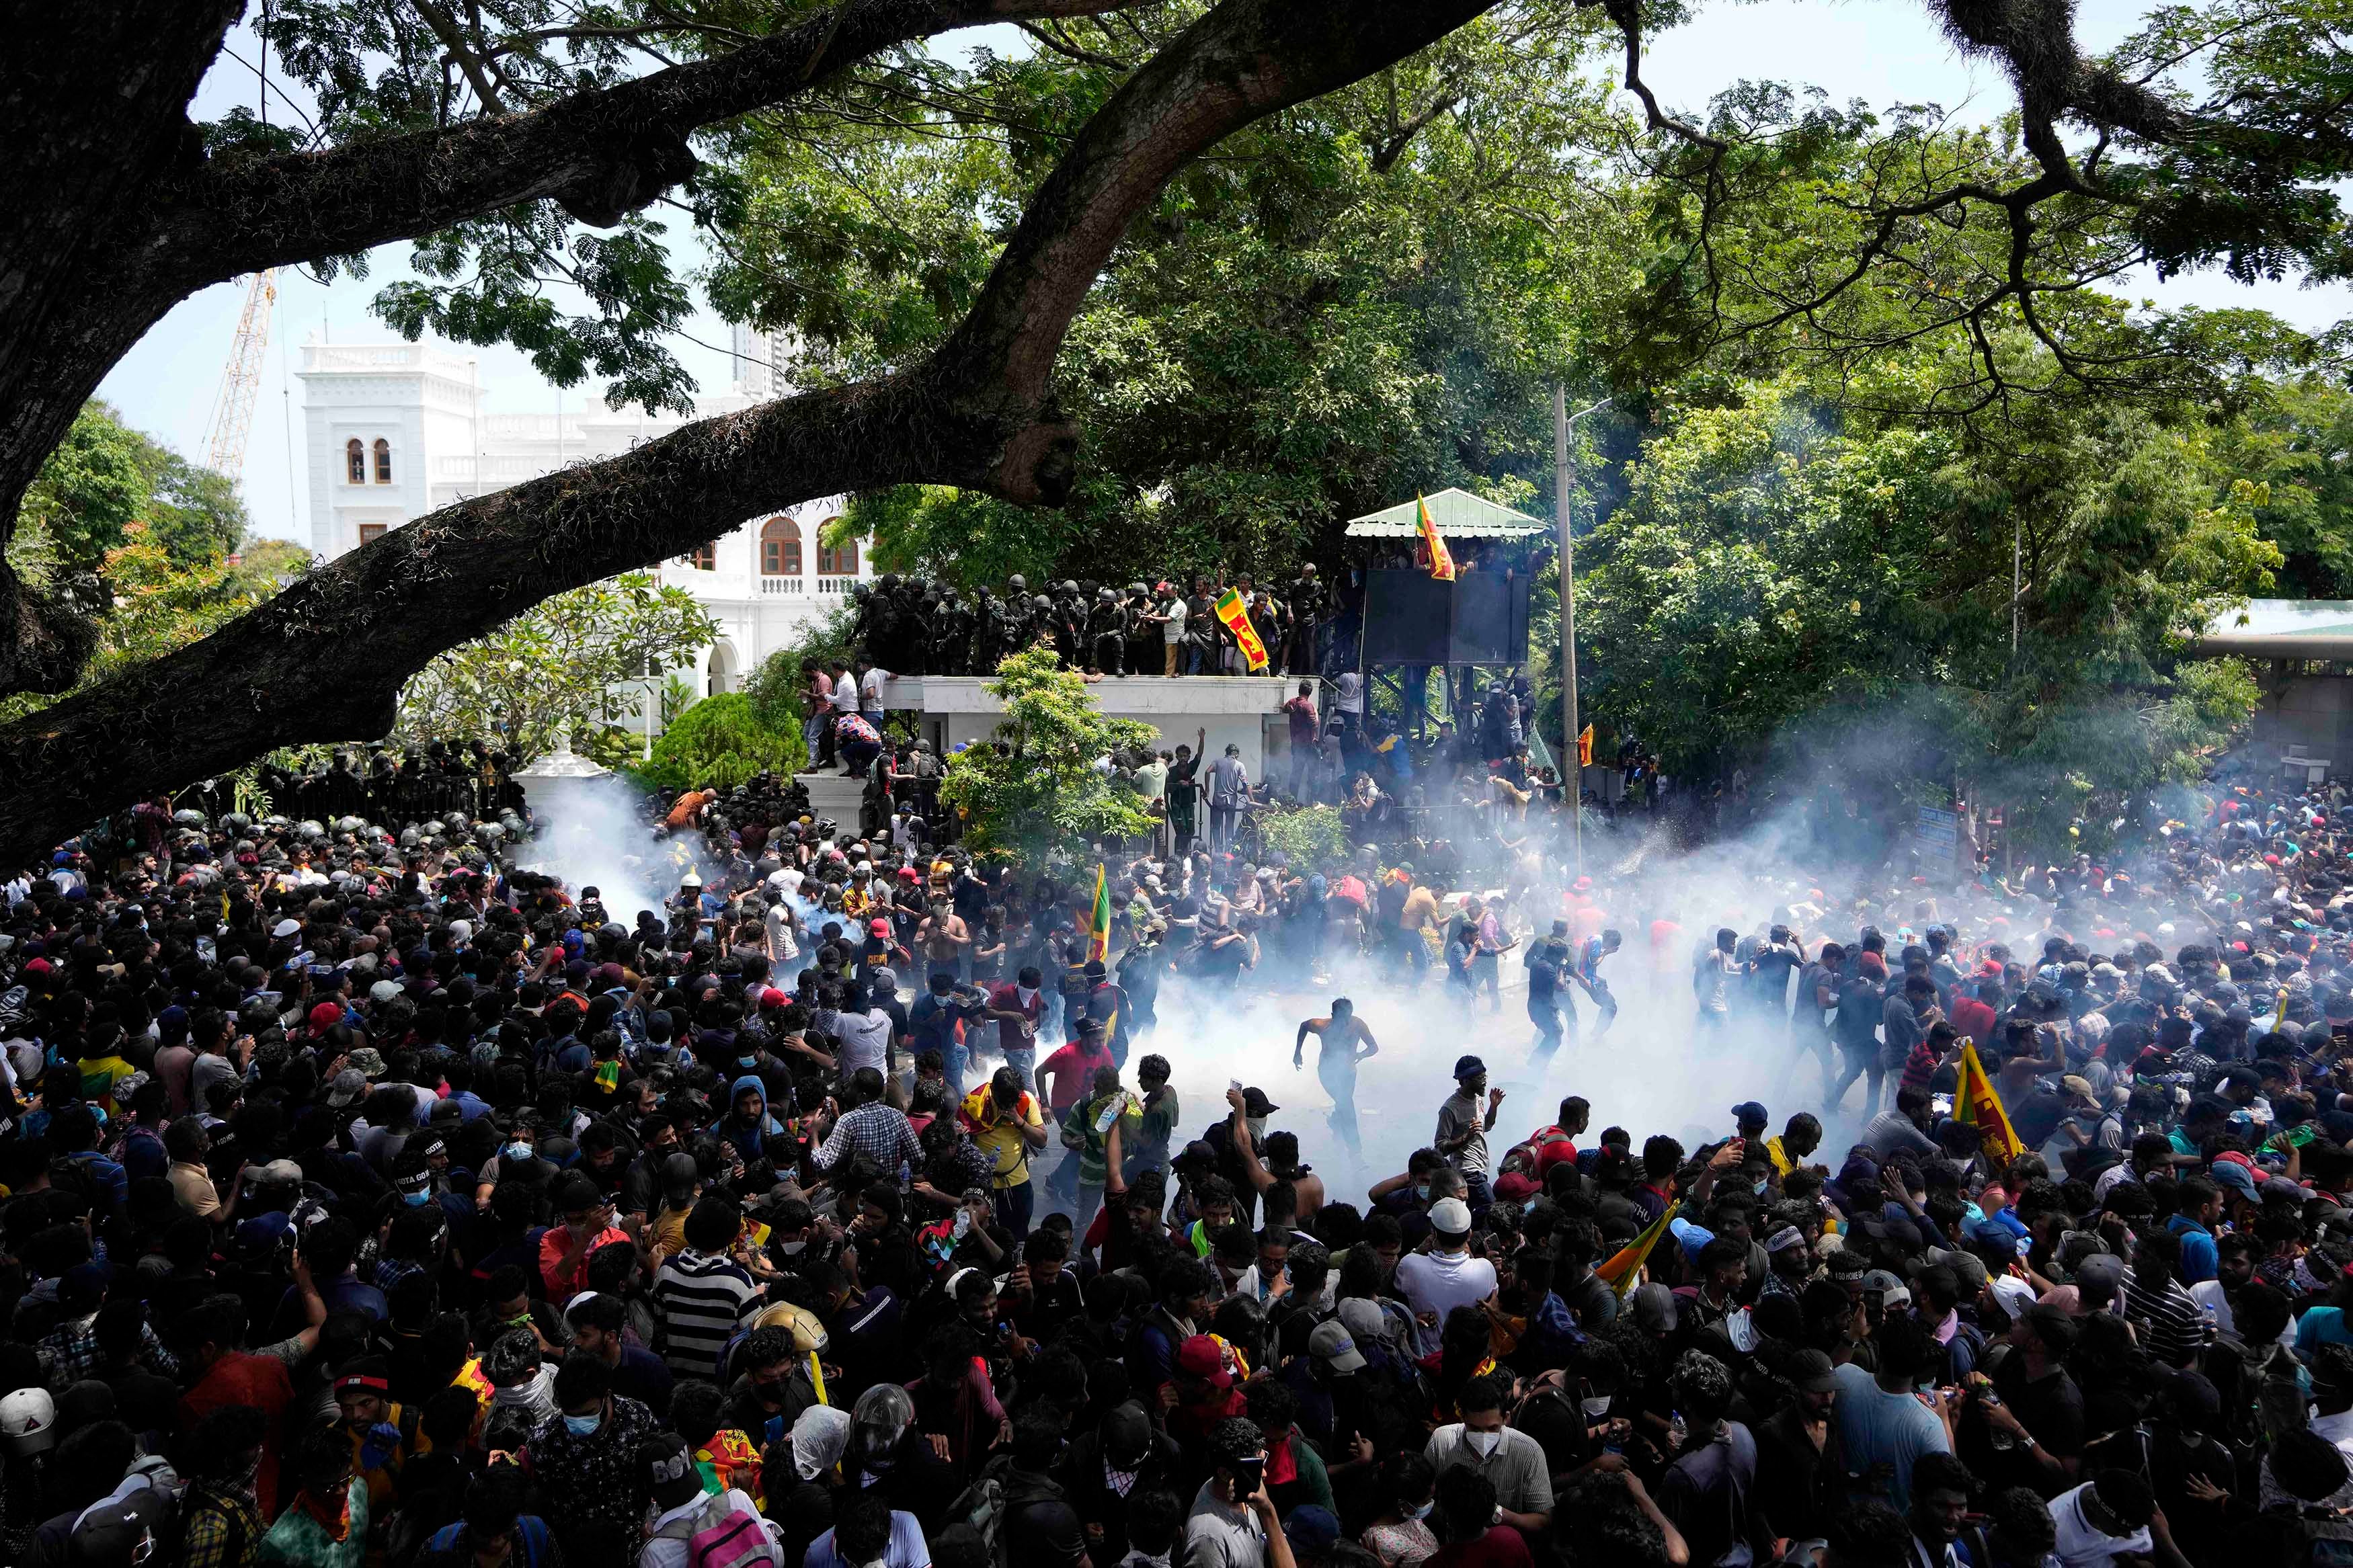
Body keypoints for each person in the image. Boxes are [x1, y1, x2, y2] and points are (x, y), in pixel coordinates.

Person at [1293, 1000, 1378, 1158]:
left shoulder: (1357, 1025)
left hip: (1349, 1073)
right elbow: (1304, 1025)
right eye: (1341, 1019)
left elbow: (1374, 1047)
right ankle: (1356, 1152)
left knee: (1344, 1103)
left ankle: (1336, 1122)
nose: (1345, 1023)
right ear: (1333, 1016)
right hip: (1327, 1072)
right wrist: (1297, 1052)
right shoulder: (1323, 1026)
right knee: (1346, 1103)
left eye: (1347, 1018)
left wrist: (1360, 1055)